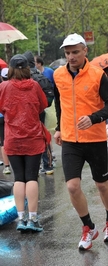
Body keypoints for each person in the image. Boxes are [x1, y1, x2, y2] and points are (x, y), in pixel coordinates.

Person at [53, 33, 108, 250]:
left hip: (95, 138)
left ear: (85, 51)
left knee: (101, 184)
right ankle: (88, 227)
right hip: (71, 140)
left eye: (75, 52)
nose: (71, 57)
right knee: (72, 186)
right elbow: (60, 105)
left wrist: (93, 118)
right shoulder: (58, 75)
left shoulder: (98, 75)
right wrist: (59, 129)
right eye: (67, 53)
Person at [0, 54, 49, 232]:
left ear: (11, 69)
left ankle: (21, 218)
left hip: (12, 138)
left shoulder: (3, 87)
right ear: (27, 68)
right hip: (33, 138)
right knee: (32, 177)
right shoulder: (34, 86)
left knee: (19, 178)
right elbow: (43, 105)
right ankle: (33, 219)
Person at [0, 68, 11, 174]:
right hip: (10, 116)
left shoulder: (1, 86)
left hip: (0, 116)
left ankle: (7, 166)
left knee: (3, 141)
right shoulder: (13, 86)